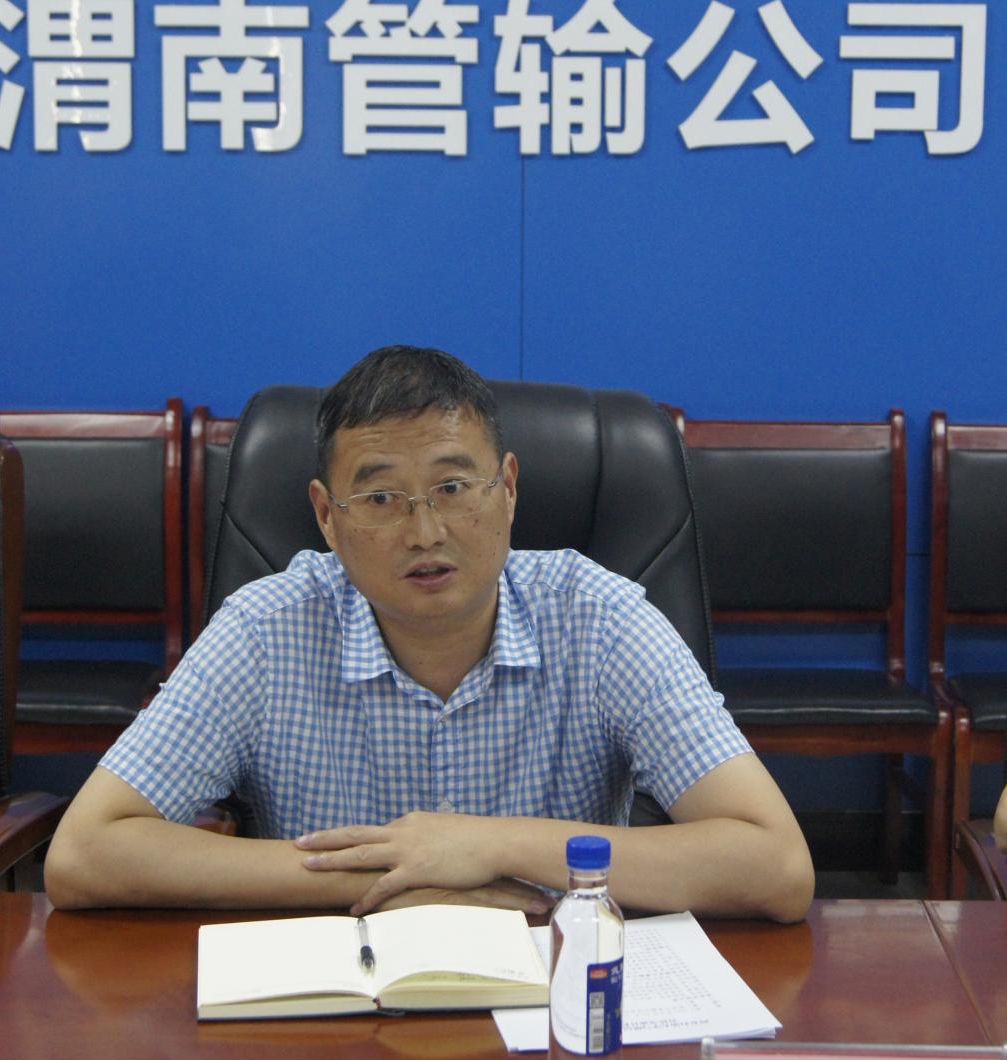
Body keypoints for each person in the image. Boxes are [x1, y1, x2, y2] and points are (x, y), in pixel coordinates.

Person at [45, 346, 814, 921]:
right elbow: (83, 852)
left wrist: (493, 844)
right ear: (326, 517)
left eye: (452, 487)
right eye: (381, 497)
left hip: (549, 1003)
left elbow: (776, 864)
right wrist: (389, 876)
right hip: (338, 1004)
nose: (425, 531)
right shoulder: (266, 628)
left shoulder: (600, 619)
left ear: (507, 489)